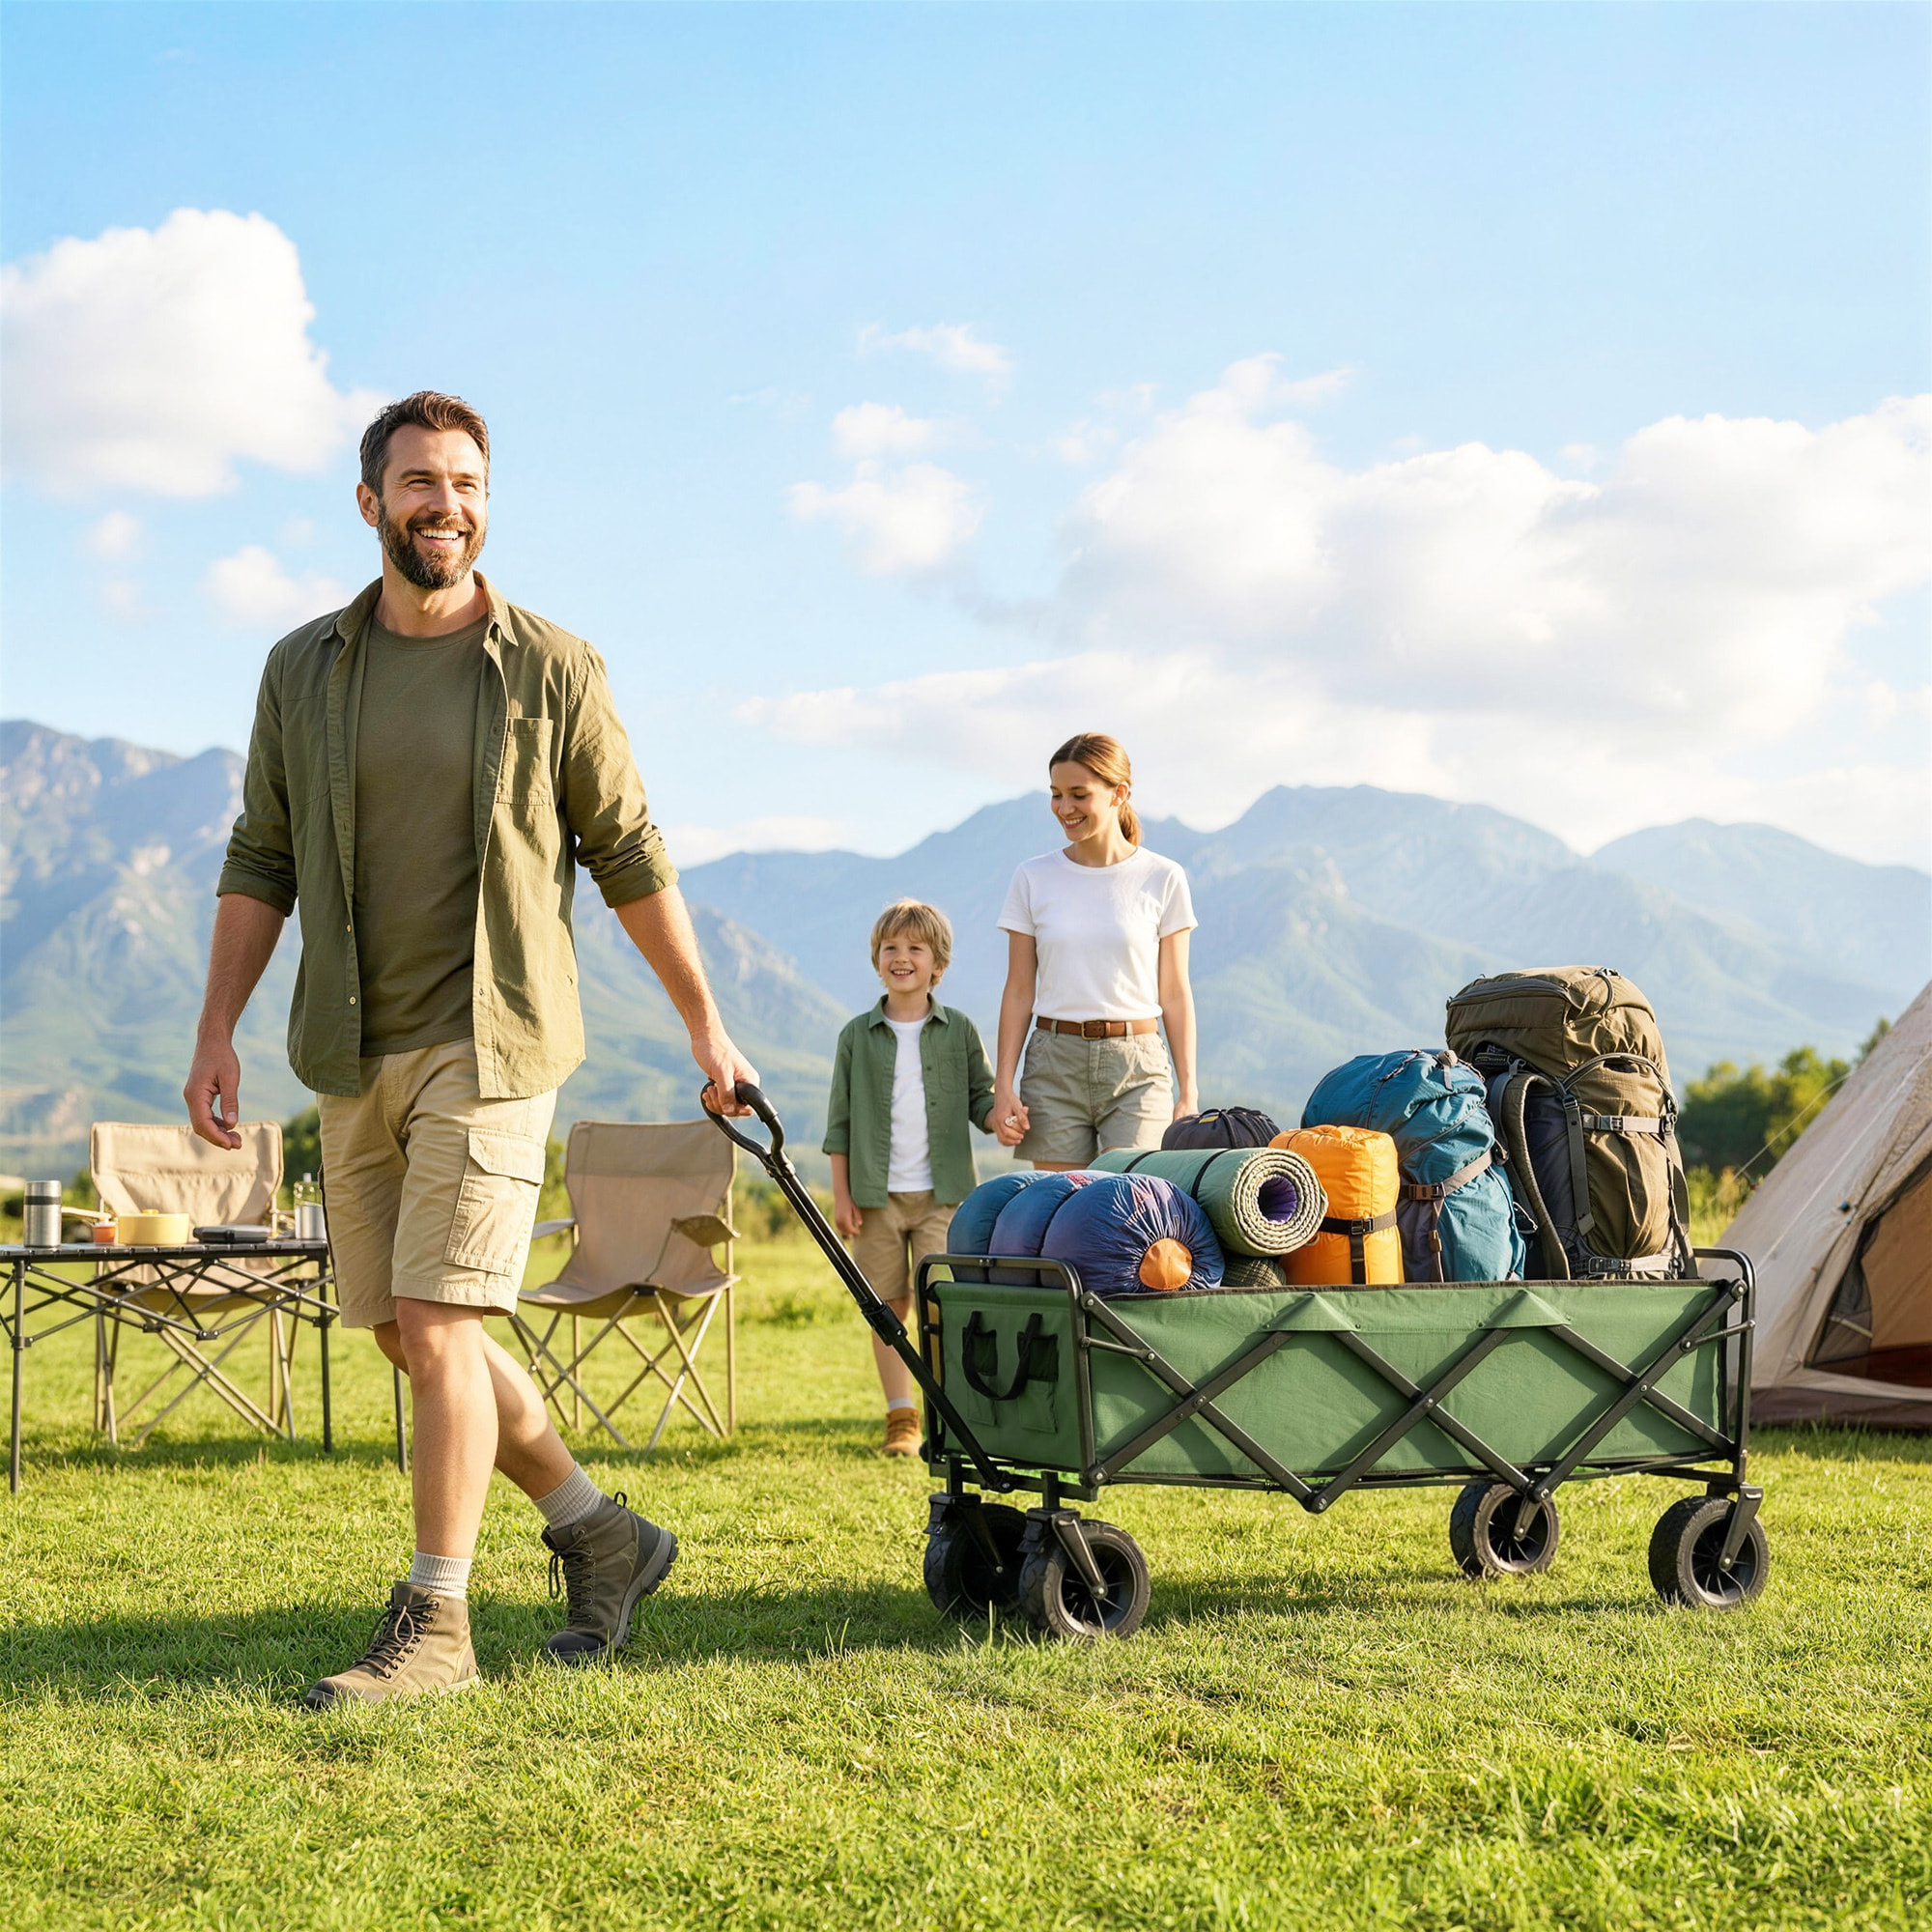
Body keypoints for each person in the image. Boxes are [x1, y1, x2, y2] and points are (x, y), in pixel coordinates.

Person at [185, 390, 759, 1707]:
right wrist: (217, 1027)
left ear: (486, 501)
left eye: (466, 483)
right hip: (348, 1041)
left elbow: (627, 852)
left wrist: (706, 1023)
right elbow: (259, 854)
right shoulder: (304, 669)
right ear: (370, 501)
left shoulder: (553, 665)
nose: (446, 503)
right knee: (402, 1331)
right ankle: (603, 1531)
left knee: (444, 1320)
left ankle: (437, 1626)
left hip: (494, 1041)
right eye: (419, 481)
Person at [824, 900, 1019, 1454]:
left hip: (944, 1198)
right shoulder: (855, 1036)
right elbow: (838, 1123)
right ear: (876, 959)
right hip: (875, 1199)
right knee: (886, 1309)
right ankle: (900, 1416)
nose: (901, 958)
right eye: (891, 948)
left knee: (941, 1306)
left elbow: (982, 1097)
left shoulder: (958, 1031)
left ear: (938, 964)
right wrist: (841, 1195)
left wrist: (998, 1119)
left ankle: (944, 1410)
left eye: (915, 949)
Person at [991, 733, 1199, 1169]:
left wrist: (1189, 1091)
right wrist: (1003, 1086)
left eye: (1079, 795)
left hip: (1137, 1066)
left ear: (1119, 793)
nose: (1064, 808)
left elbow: (1175, 992)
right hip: (1053, 1062)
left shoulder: (1163, 877)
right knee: (1060, 1212)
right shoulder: (1033, 877)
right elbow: (1018, 990)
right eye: (1056, 795)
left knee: (1131, 1208)